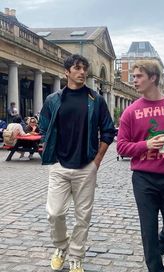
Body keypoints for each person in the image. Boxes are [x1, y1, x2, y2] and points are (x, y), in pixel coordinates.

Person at [39, 54, 115, 272]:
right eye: (77, 68)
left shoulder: (96, 99)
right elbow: (43, 126)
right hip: (60, 166)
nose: (82, 72)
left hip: (86, 167)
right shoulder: (53, 99)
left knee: (83, 216)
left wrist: (96, 161)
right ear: (67, 72)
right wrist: (50, 149)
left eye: (84, 68)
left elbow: (108, 131)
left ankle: (76, 256)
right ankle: (61, 247)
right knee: (54, 213)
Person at [117, 60, 164, 272]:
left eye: (139, 76)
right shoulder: (130, 112)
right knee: (148, 229)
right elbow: (121, 147)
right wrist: (146, 145)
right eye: (133, 76)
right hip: (143, 178)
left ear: (153, 78)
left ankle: (154, 253)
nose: (134, 80)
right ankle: (154, 265)